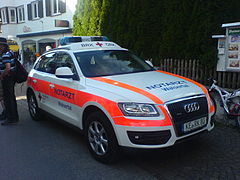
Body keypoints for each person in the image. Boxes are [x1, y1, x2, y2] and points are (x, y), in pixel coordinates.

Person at [0, 37, 19, 125]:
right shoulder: (10, 52)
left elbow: (7, 68)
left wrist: (1, 76)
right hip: (11, 77)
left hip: (7, 78)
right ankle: (11, 116)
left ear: (2, 46)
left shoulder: (5, 55)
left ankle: (11, 118)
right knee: (10, 97)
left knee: (8, 98)